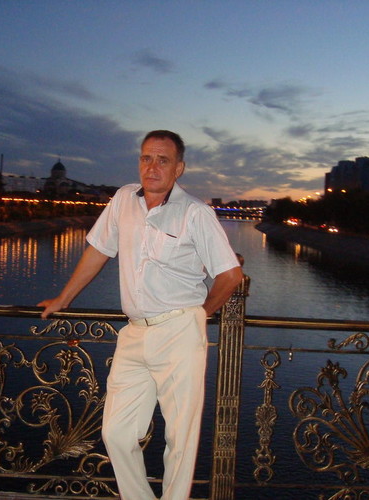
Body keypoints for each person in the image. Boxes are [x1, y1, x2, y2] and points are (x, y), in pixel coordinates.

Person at [38, 130, 243, 500]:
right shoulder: (123, 199)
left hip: (179, 330)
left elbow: (230, 275)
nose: (152, 167)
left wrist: (199, 315)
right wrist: (64, 298)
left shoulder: (195, 213)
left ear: (178, 168)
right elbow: (98, 250)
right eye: (147, 158)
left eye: (163, 160)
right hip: (133, 332)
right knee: (116, 432)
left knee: (180, 438)